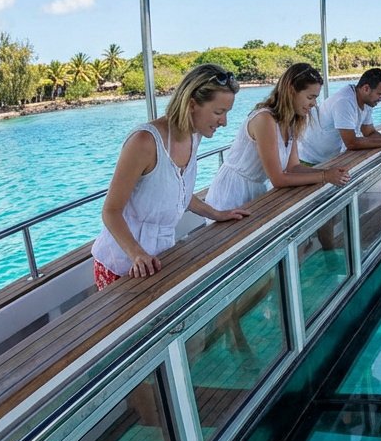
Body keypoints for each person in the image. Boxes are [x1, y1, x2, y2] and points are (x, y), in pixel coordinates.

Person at [92, 63, 247, 290]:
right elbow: (110, 211)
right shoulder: (145, 142)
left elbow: (180, 193)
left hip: (160, 258)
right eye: (219, 112)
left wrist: (216, 213)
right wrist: (137, 254)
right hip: (121, 264)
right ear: (192, 104)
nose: (224, 122)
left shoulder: (194, 136)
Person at [205, 62, 350, 214]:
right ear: (291, 91)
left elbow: (293, 167)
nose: (313, 103)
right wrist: (324, 176)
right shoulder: (265, 119)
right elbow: (278, 179)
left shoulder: (291, 121)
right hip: (231, 191)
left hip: (256, 189)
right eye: (310, 97)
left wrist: (329, 172)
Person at [298, 67, 381, 165]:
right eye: (380, 94)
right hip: (308, 160)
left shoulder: (366, 102)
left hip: (327, 159)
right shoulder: (344, 101)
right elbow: (351, 142)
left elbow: (369, 132)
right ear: (366, 88)